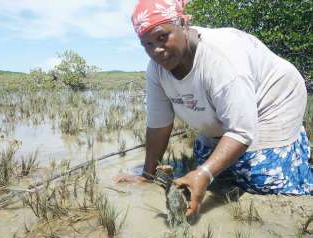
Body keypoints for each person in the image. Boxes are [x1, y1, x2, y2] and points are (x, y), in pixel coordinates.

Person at [113, 0, 313, 217]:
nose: (157, 50)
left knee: (260, 178)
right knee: (213, 166)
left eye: (163, 37)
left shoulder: (220, 58)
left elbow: (240, 130)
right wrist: (147, 175)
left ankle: (295, 152)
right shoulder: (156, 70)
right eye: (147, 44)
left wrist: (205, 174)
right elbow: (159, 125)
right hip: (234, 106)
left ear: (183, 23)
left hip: (275, 98)